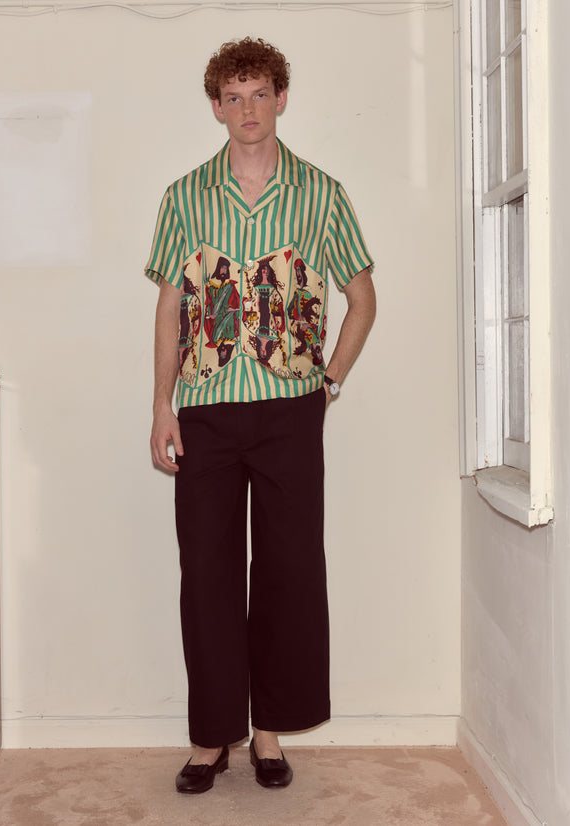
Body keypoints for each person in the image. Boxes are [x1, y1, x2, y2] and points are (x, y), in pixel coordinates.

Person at [145, 36, 376, 794]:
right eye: (232, 97)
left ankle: (269, 733)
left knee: (287, 572)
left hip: (289, 411)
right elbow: (172, 304)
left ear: (282, 98)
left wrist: (328, 383)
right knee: (207, 573)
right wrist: (162, 406)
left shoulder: (323, 194)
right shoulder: (185, 196)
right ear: (216, 107)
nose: (247, 109)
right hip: (206, 413)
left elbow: (361, 295)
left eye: (259, 93)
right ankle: (213, 737)